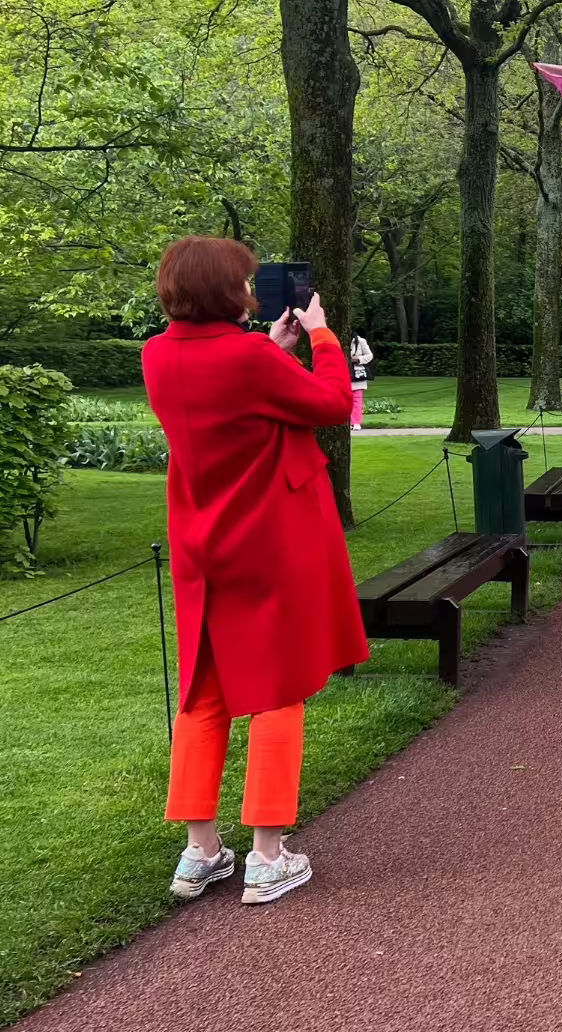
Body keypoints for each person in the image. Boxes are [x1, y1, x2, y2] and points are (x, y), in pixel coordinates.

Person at [141, 237, 367, 906]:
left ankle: (199, 851)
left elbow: (231, 397)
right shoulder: (247, 358)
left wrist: (271, 348)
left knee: (203, 691)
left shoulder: (158, 355)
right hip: (267, 538)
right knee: (277, 690)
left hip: (201, 542)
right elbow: (331, 403)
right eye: (243, 282)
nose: (250, 290)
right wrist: (322, 336)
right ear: (224, 291)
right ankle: (268, 856)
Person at [348, 332, 374, 428]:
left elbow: (369, 355)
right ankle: (347, 422)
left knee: (357, 400)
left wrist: (358, 359)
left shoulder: (360, 341)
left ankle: (356, 422)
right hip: (344, 373)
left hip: (357, 374)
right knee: (345, 400)